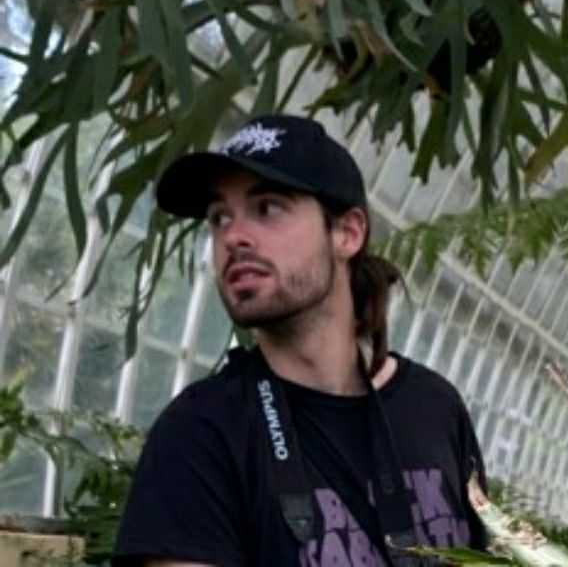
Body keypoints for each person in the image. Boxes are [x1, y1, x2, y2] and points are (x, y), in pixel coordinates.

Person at [112, 114, 487, 567]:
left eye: (267, 208)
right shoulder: (200, 434)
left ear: (347, 233)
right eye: (219, 218)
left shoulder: (435, 407)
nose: (233, 237)